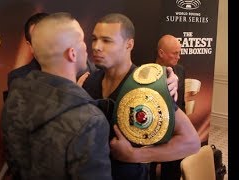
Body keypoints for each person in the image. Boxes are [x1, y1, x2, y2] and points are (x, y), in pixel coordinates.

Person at [82, 13, 200, 180]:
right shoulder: (90, 80)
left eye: (107, 40)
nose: (96, 46)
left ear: (129, 44)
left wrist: (134, 155)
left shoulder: (147, 86)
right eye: (94, 39)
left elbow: (191, 142)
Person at [2, 12, 112, 180]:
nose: (87, 47)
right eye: (82, 40)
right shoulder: (90, 120)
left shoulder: (16, 97)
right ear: (72, 53)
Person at [6, 12, 97, 91]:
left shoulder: (88, 69)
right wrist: (74, 93)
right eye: (38, 39)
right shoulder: (19, 78)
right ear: (30, 45)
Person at [150, 34, 186, 180]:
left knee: (173, 169)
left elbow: (181, 101)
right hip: (153, 129)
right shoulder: (146, 73)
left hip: (175, 129)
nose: (178, 57)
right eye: (175, 53)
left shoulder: (181, 70)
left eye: (179, 53)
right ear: (161, 53)